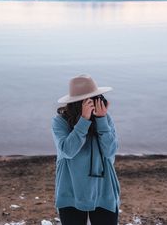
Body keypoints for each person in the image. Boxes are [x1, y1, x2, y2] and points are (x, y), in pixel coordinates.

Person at [51, 74, 120, 225]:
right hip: (71, 189)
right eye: (91, 98)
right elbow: (68, 151)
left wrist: (101, 120)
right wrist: (84, 120)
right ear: (78, 103)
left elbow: (110, 151)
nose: (97, 101)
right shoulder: (60, 121)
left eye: (97, 96)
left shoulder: (105, 118)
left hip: (103, 189)